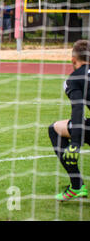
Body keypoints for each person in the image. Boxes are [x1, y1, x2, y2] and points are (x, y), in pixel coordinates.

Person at [48, 40, 90, 201]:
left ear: (73, 59)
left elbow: (78, 111)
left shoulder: (74, 79)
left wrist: (75, 144)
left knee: (54, 129)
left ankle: (76, 185)